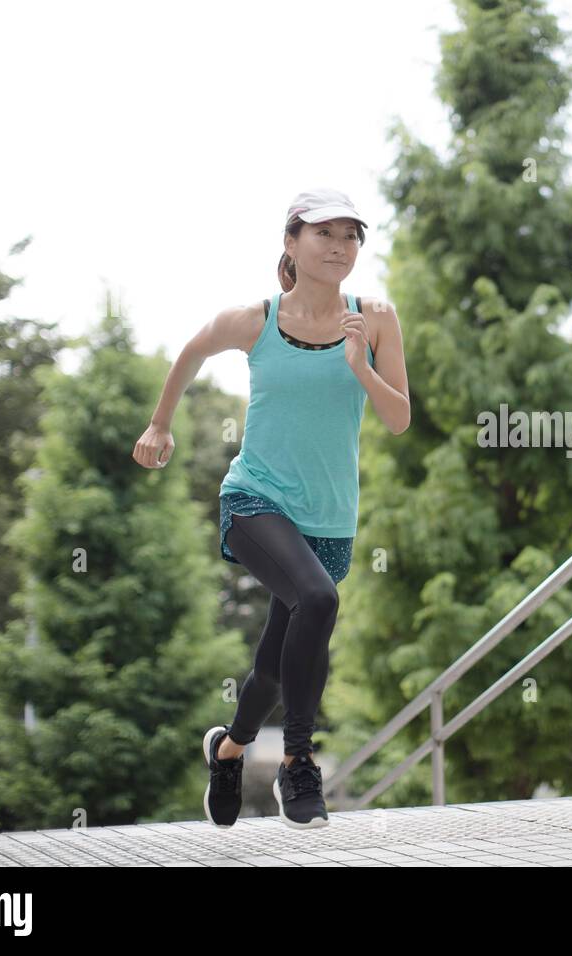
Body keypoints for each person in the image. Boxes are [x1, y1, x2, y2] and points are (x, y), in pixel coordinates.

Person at [131, 188, 410, 829]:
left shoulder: (378, 317)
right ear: (291, 243)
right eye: (325, 234)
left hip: (329, 518)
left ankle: (227, 750)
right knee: (318, 601)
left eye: (351, 236)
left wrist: (360, 365)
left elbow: (398, 418)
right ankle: (297, 764)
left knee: (274, 666)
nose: (341, 247)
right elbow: (193, 349)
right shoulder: (255, 320)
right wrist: (160, 425)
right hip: (254, 498)